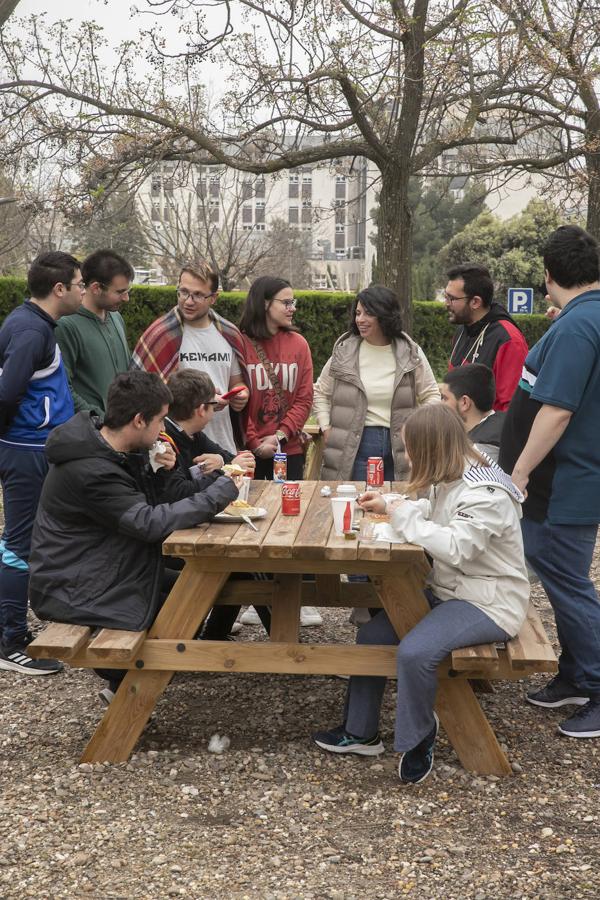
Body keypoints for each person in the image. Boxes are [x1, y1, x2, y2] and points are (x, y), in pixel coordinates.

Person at [313, 404, 529, 784]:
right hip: (453, 590)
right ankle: (361, 732)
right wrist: (392, 505)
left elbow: (458, 546)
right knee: (372, 635)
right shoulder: (457, 472)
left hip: (489, 602)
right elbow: (435, 510)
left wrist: (402, 516)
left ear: (430, 448)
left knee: (415, 652)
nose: (407, 456)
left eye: (411, 448)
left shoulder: (487, 493)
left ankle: (417, 738)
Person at [28, 371, 239, 699]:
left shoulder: (113, 451)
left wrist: (157, 471)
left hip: (98, 563)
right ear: (140, 420)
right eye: (160, 421)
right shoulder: (92, 470)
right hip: (72, 584)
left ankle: (132, 679)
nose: (163, 430)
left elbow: (144, 510)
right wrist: (219, 492)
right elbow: (150, 524)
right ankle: (125, 680)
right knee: (183, 600)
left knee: (193, 585)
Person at [499, 224, 600, 739]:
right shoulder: (583, 318)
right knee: (563, 581)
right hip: (564, 483)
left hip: (563, 483)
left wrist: (518, 472)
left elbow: (557, 411)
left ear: (548, 273)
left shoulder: (580, 326)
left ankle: (597, 683)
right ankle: (578, 675)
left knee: (568, 583)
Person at [0, 251, 84, 676]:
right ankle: (10, 640)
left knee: (30, 541)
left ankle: (17, 627)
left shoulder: (29, 323)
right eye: (80, 283)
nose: (84, 290)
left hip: (31, 447)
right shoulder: (32, 331)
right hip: (27, 449)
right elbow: (6, 393)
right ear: (59, 289)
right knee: (18, 544)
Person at [163, 368, 268, 639]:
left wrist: (223, 464)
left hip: (188, 525)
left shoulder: (192, 434)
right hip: (169, 537)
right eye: (213, 405)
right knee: (243, 564)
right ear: (201, 409)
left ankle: (216, 636)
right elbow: (179, 493)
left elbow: (231, 457)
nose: (214, 411)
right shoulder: (165, 440)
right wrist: (222, 474)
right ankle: (283, 641)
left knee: (245, 565)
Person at [314, 285, 440, 484]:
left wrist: (415, 427)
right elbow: (321, 391)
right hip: (356, 445)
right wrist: (325, 427)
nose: (360, 319)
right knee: (358, 504)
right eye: (357, 313)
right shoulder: (345, 352)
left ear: (385, 314)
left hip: (402, 445)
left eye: (368, 313)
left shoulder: (410, 352)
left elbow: (432, 394)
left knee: (397, 504)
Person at [131, 262, 249, 455]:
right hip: (175, 448)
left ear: (214, 298)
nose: (188, 301)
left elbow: (238, 383)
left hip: (223, 445)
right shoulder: (160, 335)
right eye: (183, 292)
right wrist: (205, 400)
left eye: (198, 295)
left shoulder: (230, 334)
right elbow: (143, 395)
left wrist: (241, 396)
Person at [239, 276, 314, 481]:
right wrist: (255, 443)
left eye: (293, 302)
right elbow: (236, 403)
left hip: (288, 452)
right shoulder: (239, 344)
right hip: (245, 455)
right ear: (264, 303)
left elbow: (304, 400)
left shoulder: (299, 345)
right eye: (286, 303)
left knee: (289, 509)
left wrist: (279, 436)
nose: (293, 308)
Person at [55, 249, 133, 415]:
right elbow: (62, 387)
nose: (127, 298)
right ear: (96, 287)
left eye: (127, 291)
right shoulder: (66, 325)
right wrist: (98, 420)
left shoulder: (116, 318)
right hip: (89, 434)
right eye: (120, 292)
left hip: (119, 431)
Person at [446, 263, 528, 412]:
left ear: (475, 302)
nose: (446, 304)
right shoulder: (461, 330)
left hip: (488, 434)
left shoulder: (508, 339)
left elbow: (510, 407)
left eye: (451, 298)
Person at [440, 364, 505, 461]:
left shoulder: (479, 450)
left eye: (445, 398)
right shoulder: (503, 423)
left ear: (465, 402)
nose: (440, 404)